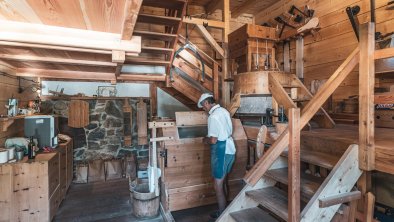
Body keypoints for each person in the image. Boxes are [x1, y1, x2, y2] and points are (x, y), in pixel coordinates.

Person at [198, 93, 236, 219]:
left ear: (207, 103)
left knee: (217, 184)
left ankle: (222, 215)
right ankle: (225, 210)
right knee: (223, 181)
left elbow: (213, 140)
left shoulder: (213, 117)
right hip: (230, 148)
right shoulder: (224, 111)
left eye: (203, 106)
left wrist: (205, 140)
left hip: (222, 151)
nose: (204, 109)